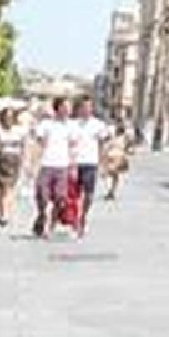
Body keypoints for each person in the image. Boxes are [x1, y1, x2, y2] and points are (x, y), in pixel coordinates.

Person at [33, 98, 75, 240]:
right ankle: (42, 217)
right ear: (58, 108)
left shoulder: (71, 126)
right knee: (43, 197)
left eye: (69, 107)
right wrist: (33, 163)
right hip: (46, 164)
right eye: (65, 107)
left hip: (62, 165)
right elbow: (38, 144)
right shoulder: (46, 125)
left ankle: (51, 225)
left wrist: (73, 166)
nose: (68, 110)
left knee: (60, 198)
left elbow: (73, 147)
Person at [68, 98, 109, 238]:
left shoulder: (98, 125)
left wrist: (103, 163)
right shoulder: (72, 124)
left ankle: (83, 216)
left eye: (89, 107)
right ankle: (75, 218)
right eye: (83, 107)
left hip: (91, 163)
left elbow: (102, 145)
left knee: (89, 194)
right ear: (79, 109)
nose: (86, 109)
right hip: (75, 163)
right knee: (74, 194)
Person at [0, 107, 29, 228]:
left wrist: (25, 160)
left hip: (14, 160)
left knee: (10, 188)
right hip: (2, 160)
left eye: (11, 117)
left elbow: (24, 146)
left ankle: (6, 214)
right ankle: (2, 214)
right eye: (7, 117)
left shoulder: (20, 131)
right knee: (2, 189)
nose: (9, 119)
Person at [102, 119, 132, 202]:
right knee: (108, 175)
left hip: (119, 156)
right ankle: (109, 190)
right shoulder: (111, 136)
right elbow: (106, 144)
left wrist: (127, 154)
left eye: (121, 126)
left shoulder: (125, 137)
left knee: (115, 175)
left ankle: (112, 191)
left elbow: (129, 147)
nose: (119, 127)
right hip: (110, 156)